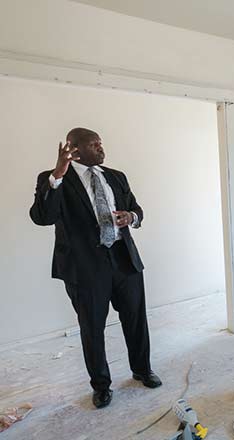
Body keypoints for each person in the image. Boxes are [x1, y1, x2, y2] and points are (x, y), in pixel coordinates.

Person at [30, 128, 161, 409]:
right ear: (74, 149)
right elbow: (42, 217)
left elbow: (136, 208)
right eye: (94, 144)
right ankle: (101, 386)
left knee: (136, 320)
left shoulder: (115, 176)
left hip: (124, 260)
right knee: (92, 328)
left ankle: (142, 369)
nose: (101, 148)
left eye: (101, 142)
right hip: (84, 268)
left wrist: (132, 216)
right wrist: (58, 175)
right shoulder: (53, 179)